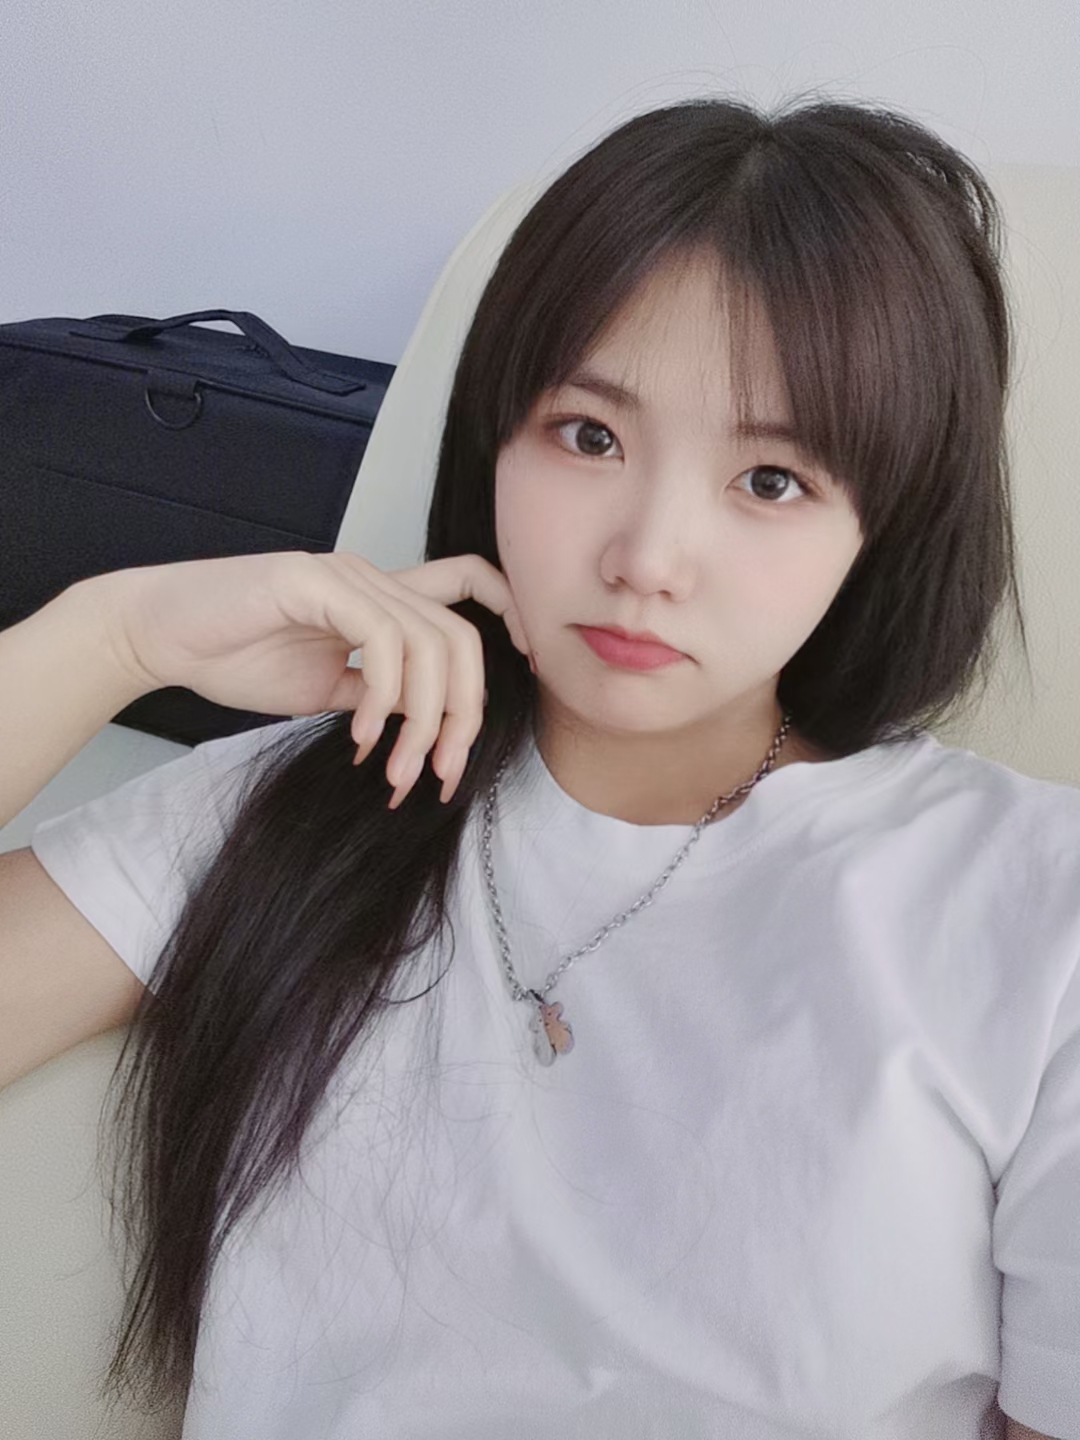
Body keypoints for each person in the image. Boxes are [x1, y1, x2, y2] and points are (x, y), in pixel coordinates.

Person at [0, 93, 1075, 1440]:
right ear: (495, 437)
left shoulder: (1034, 901)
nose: (646, 556)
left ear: (886, 527)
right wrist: (110, 636)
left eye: (771, 481)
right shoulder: (303, 805)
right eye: (589, 436)